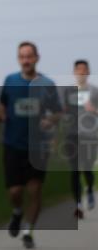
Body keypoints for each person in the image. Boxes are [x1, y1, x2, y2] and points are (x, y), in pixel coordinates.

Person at [0, 41, 62, 248]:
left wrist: (50, 120)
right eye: (22, 57)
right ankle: (17, 212)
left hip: (38, 146)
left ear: (37, 58)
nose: (26, 60)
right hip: (13, 144)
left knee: (35, 190)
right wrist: (0, 116)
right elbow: (3, 105)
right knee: (15, 192)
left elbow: (58, 111)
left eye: (29, 56)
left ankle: (27, 232)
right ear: (18, 59)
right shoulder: (10, 81)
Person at [64, 59, 97, 218]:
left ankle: (89, 189)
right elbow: (64, 111)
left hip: (89, 135)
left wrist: (94, 110)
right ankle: (77, 205)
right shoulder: (68, 91)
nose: (82, 72)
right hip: (72, 135)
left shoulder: (94, 92)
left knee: (87, 168)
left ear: (88, 72)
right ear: (74, 72)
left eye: (84, 69)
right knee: (75, 170)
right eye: (79, 70)